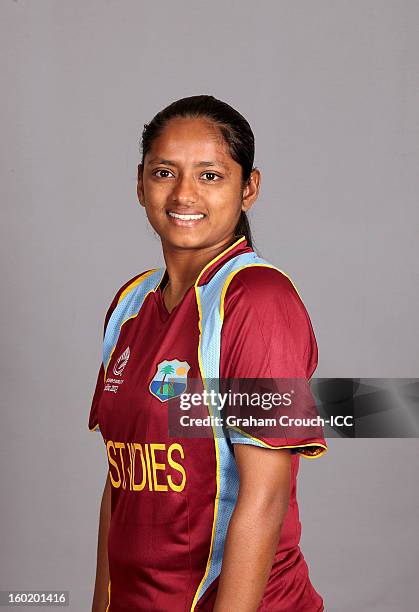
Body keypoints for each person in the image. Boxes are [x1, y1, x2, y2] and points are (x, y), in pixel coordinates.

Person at [88, 94, 328, 611]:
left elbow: (264, 498)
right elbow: (119, 486)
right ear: (140, 183)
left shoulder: (257, 299)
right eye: (164, 172)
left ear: (250, 188)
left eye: (210, 175)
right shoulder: (130, 303)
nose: (184, 193)